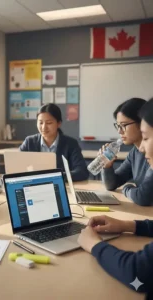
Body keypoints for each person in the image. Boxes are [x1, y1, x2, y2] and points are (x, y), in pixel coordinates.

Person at [78, 98, 153, 299]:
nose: (142, 149)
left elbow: (138, 273)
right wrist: (128, 225)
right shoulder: (134, 154)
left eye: (146, 138)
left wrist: (94, 245)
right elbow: (113, 184)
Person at [101, 98, 153, 206]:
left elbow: (142, 197)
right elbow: (112, 184)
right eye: (118, 126)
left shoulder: (151, 154)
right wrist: (107, 166)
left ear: (141, 123)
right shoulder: (134, 152)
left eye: (124, 125)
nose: (119, 131)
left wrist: (127, 188)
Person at [20, 103, 88, 182]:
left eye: (49, 123)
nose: (44, 127)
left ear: (58, 123)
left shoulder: (71, 144)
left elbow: (82, 171)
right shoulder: (29, 142)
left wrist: (56, 177)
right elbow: (17, 167)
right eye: (40, 122)